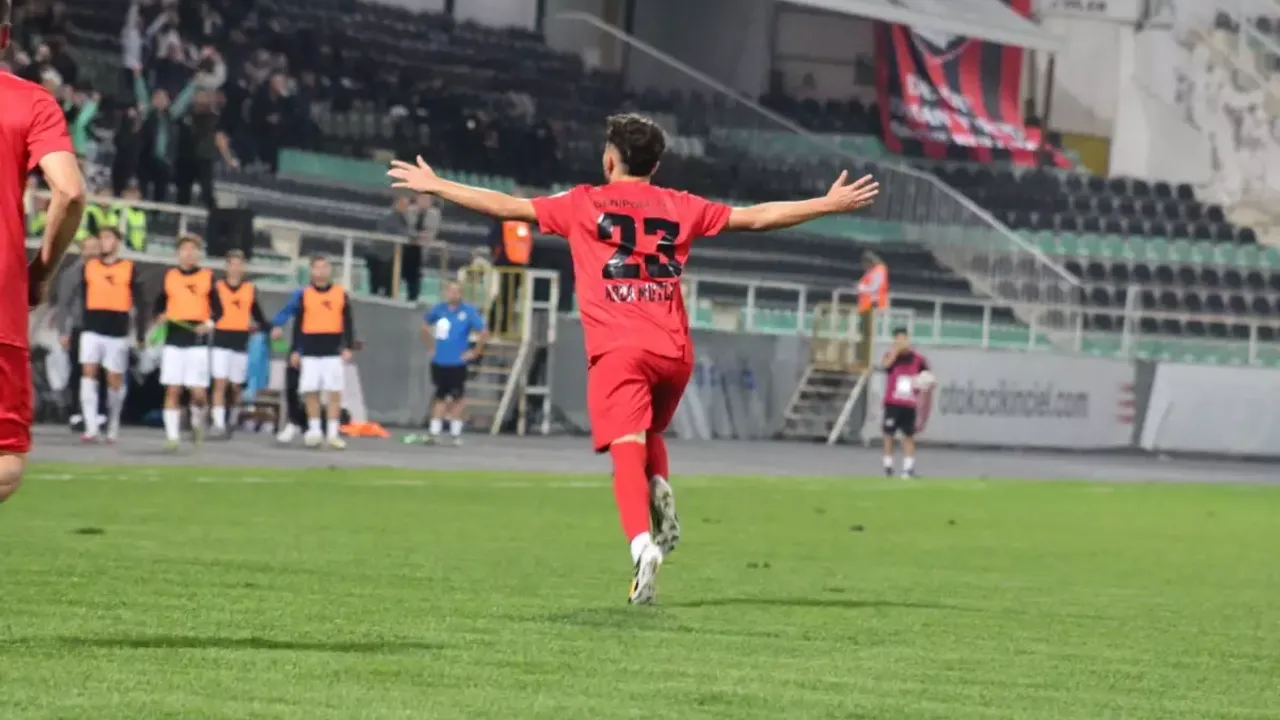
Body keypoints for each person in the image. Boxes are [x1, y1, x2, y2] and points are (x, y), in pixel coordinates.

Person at [388, 112, 879, 604]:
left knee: (627, 449)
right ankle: (659, 482)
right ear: (655, 164)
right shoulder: (681, 205)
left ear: (609, 160)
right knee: (649, 434)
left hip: (620, 349)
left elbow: (506, 207)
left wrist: (438, 185)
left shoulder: (582, 203)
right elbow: (756, 217)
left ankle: (642, 546)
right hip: (673, 351)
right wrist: (826, 204)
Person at [1, 0, 87, 503]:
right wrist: (42, 272)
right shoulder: (31, 102)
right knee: (5, 463)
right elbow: (70, 192)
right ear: (6, 37)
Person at [68, 227, 143, 443]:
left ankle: (113, 422)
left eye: (108, 238)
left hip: (117, 331)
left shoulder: (129, 268)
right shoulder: (89, 267)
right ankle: (91, 426)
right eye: (101, 238)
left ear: (117, 242)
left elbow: (141, 302)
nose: (103, 242)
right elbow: (82, 297)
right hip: (91, 329)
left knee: (114, 381)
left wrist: (140, 333)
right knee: (88, 372)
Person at [152, 234, 221, 450]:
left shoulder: (207, 277)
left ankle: (197, 422)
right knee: (173, 389)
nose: (189, 253)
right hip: (174, 340)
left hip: (197, 342)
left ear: (199, 253)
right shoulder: (170, 277)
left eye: (193, 249)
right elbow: (158, 306)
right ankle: (172, 437)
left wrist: (208, 324)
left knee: (198, 394)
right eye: (185, 249)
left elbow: (219, 310)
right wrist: (160, 316)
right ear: (178, 253)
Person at [291, 256, 355, 450]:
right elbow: (298, 325)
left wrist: (348, 346)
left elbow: (348, 322)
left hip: (332, 350)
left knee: (334, 392)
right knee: (311, 392)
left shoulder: (340, 294)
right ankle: (315, 431)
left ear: (330, 271)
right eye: (317, 268)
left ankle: (333, 434)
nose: (320, 272)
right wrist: (295, 350)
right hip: (310, 350)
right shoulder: (305, 295)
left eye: (324, 267)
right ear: (311, 271)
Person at [420, 281, 487, 445]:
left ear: (461, 294)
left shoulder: (468, 311)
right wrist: (431, 346)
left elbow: (483, 332)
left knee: (458, 397)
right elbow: (424, 327)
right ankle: (434, 432)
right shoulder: (439, 309)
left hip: (457, 362)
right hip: (440, 360)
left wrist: (475, 352)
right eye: (450, 291)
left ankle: (455, 433)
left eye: (456, 291)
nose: (453, 294)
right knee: (440, 396)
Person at [210, 250, 267, 437]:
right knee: (219, 382)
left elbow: (257, 314)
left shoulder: (249, 289)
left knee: (236, 386)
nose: (235, 268)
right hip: (221, 340)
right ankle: (218, 423)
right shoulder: (217, 288)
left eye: (239, 265)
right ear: (227, 267)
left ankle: (233, 418)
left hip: (240, 342)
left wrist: (270, 328)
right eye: (232, 264)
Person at [881, 328, 930, 479]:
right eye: (898, 339)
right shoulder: (890, 355)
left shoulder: (918, 359)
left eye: (904, 338)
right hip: (893, 402)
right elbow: (885, 366)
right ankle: (888, 466)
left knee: (908, 436)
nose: (901, 341)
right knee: (889, 434)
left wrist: (925, 382)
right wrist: (895, 353)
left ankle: (908, 469)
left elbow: (926, 375)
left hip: (909, 403)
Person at [268, 286, 309, 444]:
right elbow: (287, 311)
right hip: (299, 345)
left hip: (321, 347)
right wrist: (277, 325)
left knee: (312, 390)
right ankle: (293, 422)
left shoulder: (334, 295)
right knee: (292, 385)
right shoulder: (302, 294)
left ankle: (310, 426)